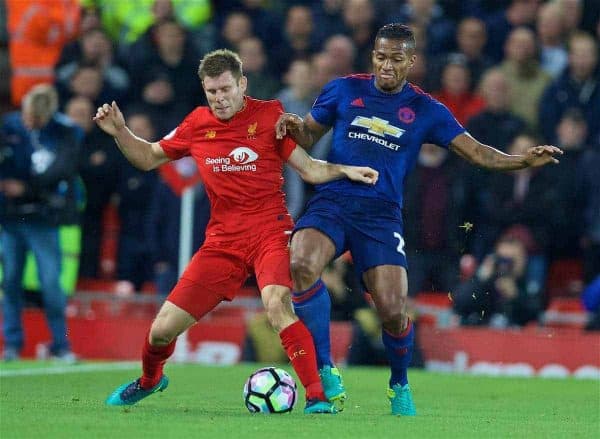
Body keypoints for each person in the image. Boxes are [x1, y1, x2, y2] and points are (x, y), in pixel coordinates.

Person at [275, 23, 562, 416]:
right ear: (372, 55)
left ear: (411, 61)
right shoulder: (344, 90)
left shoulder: (428, 110)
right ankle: (325, 369)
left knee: (393, 312)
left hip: (380, 216)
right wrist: (293, 127)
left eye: (396, 59)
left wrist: (522, 161)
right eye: (380, 56)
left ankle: (399, 385)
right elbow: (307, 137)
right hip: (334, 200)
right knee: (301, 262)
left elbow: (477, 153)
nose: (386, 66)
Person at [93, 49, 378, 414]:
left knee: (278, 305)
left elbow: (309, 169)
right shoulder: (196, 124)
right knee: (161, 332)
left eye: (226, 89)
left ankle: (317, 397)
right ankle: (150, 380)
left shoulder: (270, 115)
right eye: (212, 92)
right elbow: (148, 157)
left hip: (270, 234)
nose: (220, 98)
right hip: (222, 243)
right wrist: (120, 131)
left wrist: (346, 170)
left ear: (242, 84)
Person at [0, 84, 82, 362]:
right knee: (10, 280)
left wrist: (25, 188)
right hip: (10, 218)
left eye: (36, 118)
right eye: (27, 116)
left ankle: (62, 345)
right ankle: (12, 345)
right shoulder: (9, 126)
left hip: (43, 219)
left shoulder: (65, 131)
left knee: (50, 283)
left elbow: (62, 169)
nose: (29, 122)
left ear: (49, 114)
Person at [453, 235, 542, 328]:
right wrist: (481, 278)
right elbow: (459, 302)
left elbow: (537, 313)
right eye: (502, 259)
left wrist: (516, 296)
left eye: (511, 260)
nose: (505, 265)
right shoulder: (485, 283)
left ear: (522, 259)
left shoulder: (529, 283)